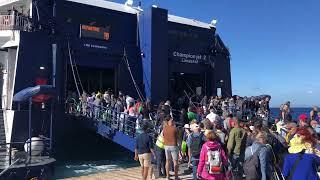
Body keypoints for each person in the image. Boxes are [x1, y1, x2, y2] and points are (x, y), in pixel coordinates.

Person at [163, 115, 179, 180]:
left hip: (166, 146)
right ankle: (176, 177)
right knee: (175, 161)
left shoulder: (164, 128)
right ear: (171, 122)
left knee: (167, 161)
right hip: (173, 146)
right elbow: (177, 136)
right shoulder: (175, 128)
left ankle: (168, 177)